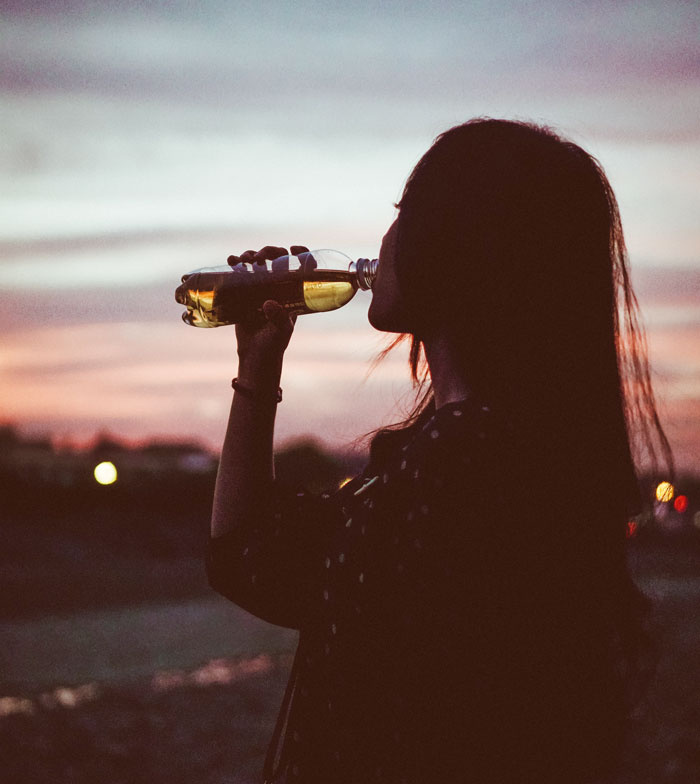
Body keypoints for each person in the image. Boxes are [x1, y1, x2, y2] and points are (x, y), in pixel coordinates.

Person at [206, 119, 672, 784]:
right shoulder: (508, 453)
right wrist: (258, 365)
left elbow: (252, 559)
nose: (384, 240)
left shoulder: (461, 466)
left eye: (402, 212)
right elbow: (254, 556)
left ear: (454, 244)